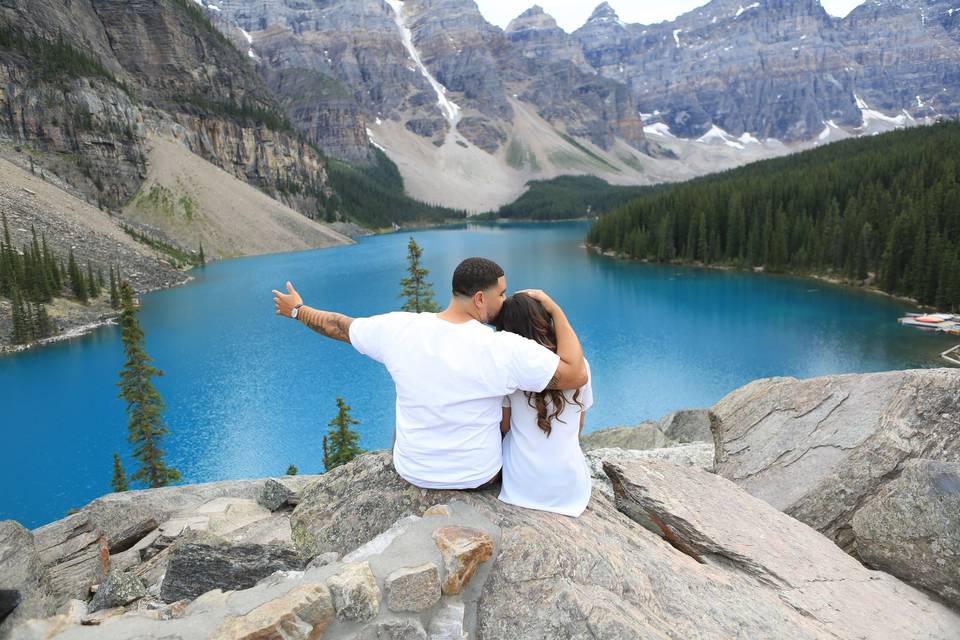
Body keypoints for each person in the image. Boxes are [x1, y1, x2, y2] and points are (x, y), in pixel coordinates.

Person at [271, 257, 587, 489]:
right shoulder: (504, 348)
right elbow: (575, 374)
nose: (505, 300)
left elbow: (339, 325)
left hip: (413, 471)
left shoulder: (399, 328)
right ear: (480, 299)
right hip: (477, 476)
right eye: (501, 294)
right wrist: (555, 310)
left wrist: (297, 310)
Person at [494, 292, 593, 517]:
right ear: (544, 322)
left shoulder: (509, 369)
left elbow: (505, 427)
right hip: (569, 489)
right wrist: (556, 309)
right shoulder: (580, 367)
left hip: (521, 486)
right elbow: (579, 425)